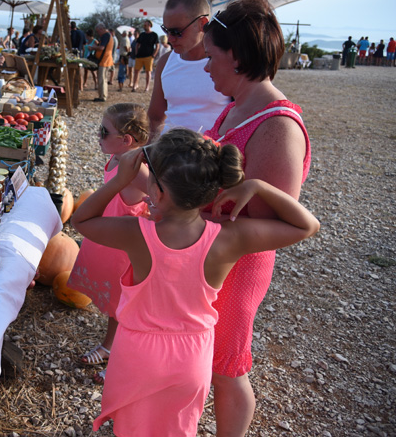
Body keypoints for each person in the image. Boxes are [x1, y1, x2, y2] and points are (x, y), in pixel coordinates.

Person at [72, 128, 319, 437]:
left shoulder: (137, 232)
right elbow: (308, 226)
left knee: (133, 428)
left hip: (137, 351)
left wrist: (121, 180)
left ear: (158, 193)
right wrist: (257, 187)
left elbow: (81, 220)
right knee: (177, 428)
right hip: (192, 355)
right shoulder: (229, 238)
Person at [202, 0, 313, 435]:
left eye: (211, 56)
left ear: (237, 55)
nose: (206, 67)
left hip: (240, 263)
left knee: (227, 366)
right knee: (206, 356)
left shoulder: (278, 125)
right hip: (216, 253)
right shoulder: (236, 105)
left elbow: (287, 225)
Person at [67, 103, 151, 385]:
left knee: (126, 307)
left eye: (103, 131)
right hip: (108, 237)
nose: (98, 135)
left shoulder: (137, 167)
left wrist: (153, 207)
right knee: (116, 303)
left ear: (126, 140)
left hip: (123, 246)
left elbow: (161, 192)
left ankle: (121, 362)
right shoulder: (118, 157)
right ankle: (110, 345)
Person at [148, 0, 231, 139]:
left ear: (202, 24)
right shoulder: (165, 62)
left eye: (176, 31)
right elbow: (154, 118)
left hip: (215, 156)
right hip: (169, 156)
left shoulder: (227, 61)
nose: (170, 38)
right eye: (166, 30)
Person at [130, 20, 159, 92]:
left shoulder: (154, 35)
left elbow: (157, 45)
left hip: (149, 56)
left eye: (145, 25)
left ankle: (147, 87)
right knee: (136, 71)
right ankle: (135, 85)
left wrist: (154, 55)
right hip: (140, 56)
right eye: (144, 25)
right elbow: (137, 44)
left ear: (149, 25)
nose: (144, 26)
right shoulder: (142, 34)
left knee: (148, 72)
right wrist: (136, 53)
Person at [93, 23, 114, 102]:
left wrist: (93, 48)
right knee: (103, 79)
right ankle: (102, 95)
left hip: (104, 60)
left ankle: (102, 97)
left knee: (102, 79)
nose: (98, 33)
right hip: (106, 60)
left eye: (98, 31)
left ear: (102, 29)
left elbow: (102, 48)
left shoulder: (105, 35)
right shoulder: (108, 35)